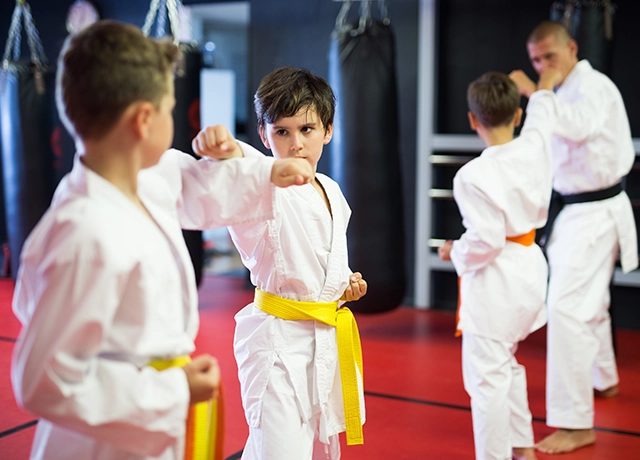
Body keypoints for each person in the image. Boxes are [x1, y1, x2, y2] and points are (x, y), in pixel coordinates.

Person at [10, 21, 314, 460]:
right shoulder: (84, 234)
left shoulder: (147, 175)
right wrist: (174, 387)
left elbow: (198, 186)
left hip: (150, 422)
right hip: (103, 440)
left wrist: (267, 172)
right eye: (171, 109)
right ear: (143, 120)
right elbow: (44, 382)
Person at [193, 66, 368, 460]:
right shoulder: (264, 188)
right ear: (264, 135)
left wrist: (342, 286)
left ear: (328, 130)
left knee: (319, 450)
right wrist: (228, 149)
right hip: (276, 348)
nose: (296, 144)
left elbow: (320, 262)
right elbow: (247, 168)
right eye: (282, 132)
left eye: (306, 129)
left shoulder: (332, 192)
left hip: (322, 340)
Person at [509, 20, 638, 454]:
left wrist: (537, 90)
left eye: (550, 57)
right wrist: (542, 92)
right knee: (591, 303)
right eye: (536, 60)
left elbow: (576, 126)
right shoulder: (564, 92)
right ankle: (604, 378)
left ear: (572, 48)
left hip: (596, 211)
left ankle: (575, 422)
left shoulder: (593, 87)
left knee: (566, 309)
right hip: (581, 211)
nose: (544, 66)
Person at [438, 70, 562, 460]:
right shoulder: (536, 145)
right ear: (518, 115)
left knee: (485, 380)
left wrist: (454, 251)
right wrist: (542, 85)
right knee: (505, 364)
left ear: (473, 120)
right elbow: (544, 112)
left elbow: (487, 241)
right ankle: (522, 448)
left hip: (497, 282)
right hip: (529, 268)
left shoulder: (472, 175)